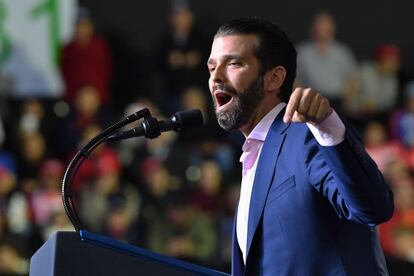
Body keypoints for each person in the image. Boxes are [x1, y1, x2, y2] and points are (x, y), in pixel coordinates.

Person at [207, 18, 394, 275]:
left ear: (274, 78)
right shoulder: (254, 154)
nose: (216, 77)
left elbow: (373, 207)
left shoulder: (306, 136)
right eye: (212, 67)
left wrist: (328, 128)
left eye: (234, 63)